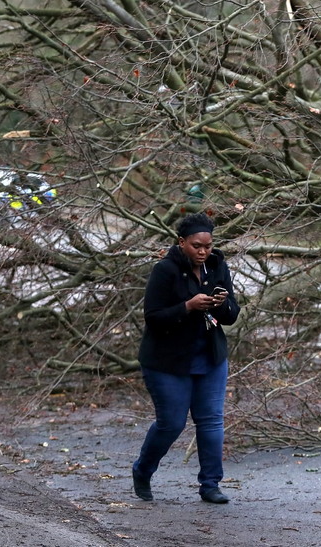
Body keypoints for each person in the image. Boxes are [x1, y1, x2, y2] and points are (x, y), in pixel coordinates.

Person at [132, 212, 240, 504]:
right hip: (167, 362)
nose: (203, 251)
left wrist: (220, 304)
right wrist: (188, 306)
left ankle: (210, 485)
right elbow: (153, 318)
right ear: (182, 243)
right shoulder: (164, 270)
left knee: (211, 422)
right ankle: (142, 471)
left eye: (207, 245)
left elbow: (232, 314)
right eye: (196, 246)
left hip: (210, 357)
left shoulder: (217, 266)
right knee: (171, 423)